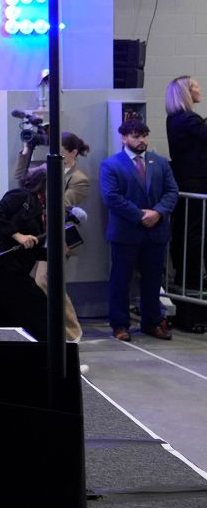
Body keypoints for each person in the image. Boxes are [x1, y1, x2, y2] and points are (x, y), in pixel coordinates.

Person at [102, 119, 179, 341]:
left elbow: (172, 192)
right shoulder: (111, 164)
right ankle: (120, 325)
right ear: (124, 138)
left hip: (156, 232)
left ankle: (152, 322)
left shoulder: (160, 163)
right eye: (136, 136)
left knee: (153, 280)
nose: (142, 140)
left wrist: (157, 213)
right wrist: (140, 215)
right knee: (120, 280)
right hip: (126, 232)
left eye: (144, 135)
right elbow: (111, 197)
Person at [15, 132, 91, 342]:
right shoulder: (46, 169)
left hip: (58, 236)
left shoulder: (79, 179)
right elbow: (21, 177)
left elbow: (60, 204)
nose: (55, 153)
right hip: (39, 234)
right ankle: (42, 329)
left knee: (47, 281)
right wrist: (27, 150)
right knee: (34, 283)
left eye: (61, 150)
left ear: (73, 152)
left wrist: (45, 182)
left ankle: (72, 333)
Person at [0, 171, 49, 341]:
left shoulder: (39, 207)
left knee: (0, 320)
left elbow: (29, 245)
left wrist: (49, 254)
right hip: (3, 267)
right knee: (39, 309)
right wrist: (17, 235)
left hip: (12, 269)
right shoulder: (21, 196)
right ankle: (52, 359)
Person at [166, 76, 207, 292]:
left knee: (185, 230)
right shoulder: (189, 120)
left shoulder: (174, 119)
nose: (200, 89)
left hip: (185, 179)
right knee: (193, 232)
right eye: (196, 86)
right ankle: (192, 279)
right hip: (196, 181)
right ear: (186, 93)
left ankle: (186, 277)